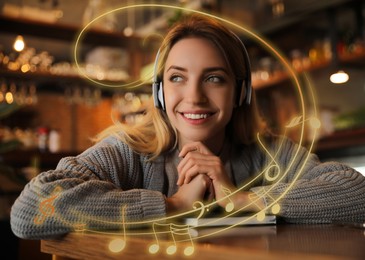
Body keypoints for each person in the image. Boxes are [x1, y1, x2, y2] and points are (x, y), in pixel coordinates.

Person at [11, 14, 365, 240]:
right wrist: (172, 204)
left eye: (214, 78)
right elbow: (30, 210)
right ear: (160, 92)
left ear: (240, 91)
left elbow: (357, 195)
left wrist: (241, 199)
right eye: (177, 77)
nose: (194, 96)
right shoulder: (129, 151)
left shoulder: (267, 153)